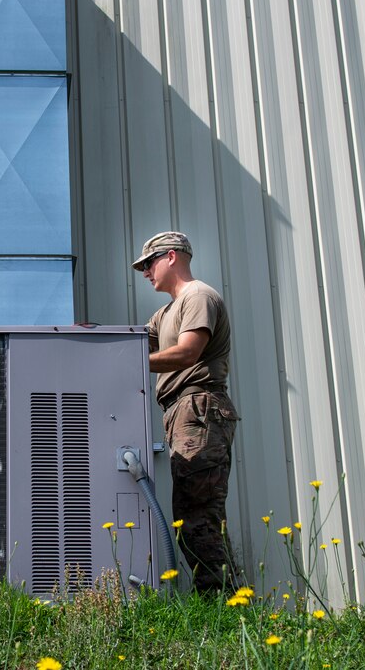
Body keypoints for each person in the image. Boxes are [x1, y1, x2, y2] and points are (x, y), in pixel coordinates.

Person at [132, 231, 239, 592]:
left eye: (149, 263)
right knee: (190, 513)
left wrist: (127, 363)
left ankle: (222, 606)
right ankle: (220, 602)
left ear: (172, 256)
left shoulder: (199, 297)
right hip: (183, 411)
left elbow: (187, 353)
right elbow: (130, 342)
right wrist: (94, 338)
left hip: (198, 407)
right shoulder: (165, 313)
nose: (146, 272)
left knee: (199, 516)